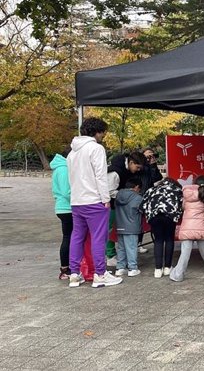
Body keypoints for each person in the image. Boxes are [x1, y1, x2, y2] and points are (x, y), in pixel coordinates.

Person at [67, 117, 122, 288]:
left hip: (77, 201)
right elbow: (101, 176)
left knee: (77, 237)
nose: (103, 136)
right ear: (97, 132)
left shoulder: (71, 153)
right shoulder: (96, 149)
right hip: (94, 200)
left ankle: (74, 274)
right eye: (103, 133)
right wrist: (106, 198)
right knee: (99, 238)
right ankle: (100, 274)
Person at [169, 175, 204, 282]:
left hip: (188, 227)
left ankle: (178, 274)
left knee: (185, 253)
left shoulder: (186, 195)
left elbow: (183, 207)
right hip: (201, 227)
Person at [106, 151, 147, 264]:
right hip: (109, 204)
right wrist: (126, 194)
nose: (138, 170)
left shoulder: (126, 170)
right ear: (131, 162)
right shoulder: (115, 173)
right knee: (110, 228)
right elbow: (109, 191)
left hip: (118, 203)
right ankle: (110, 255)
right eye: (137, 167)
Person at [141, 177, 183, 278]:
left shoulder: (151, 190)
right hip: (170, 217)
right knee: (169, 239)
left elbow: (142, 206)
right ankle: (167, 268)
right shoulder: (177, 190)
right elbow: (182, 205)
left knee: (158, 240)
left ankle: (158, 269)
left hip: (154, 217)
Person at [114, 177, 143, 277]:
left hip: (120, 225)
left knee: (121, 248)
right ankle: (132, 268)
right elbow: (142, 210)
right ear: (136, 187)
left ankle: (120, 268)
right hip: (132, 226)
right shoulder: (137, 198)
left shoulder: (118, 195)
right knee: (131, 247)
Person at [137, 147, 164, 253]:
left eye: (151, 155)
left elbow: (157, 178)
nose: (150, 158)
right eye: (148, 156)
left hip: (149, 196)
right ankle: (138, 243)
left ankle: (152, 241)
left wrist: (153, 165)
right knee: (138, 221)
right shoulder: (140, 167)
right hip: (139, 195)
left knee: (147, 221)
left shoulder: (152, 166)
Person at [51, 146, 72, 280]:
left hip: (63, 207)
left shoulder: (60, 167)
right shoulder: (64, 169)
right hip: (67, 208)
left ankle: (66, 267)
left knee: (68, 237)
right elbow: (66, 191)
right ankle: (65, 268)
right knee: (68, 238)